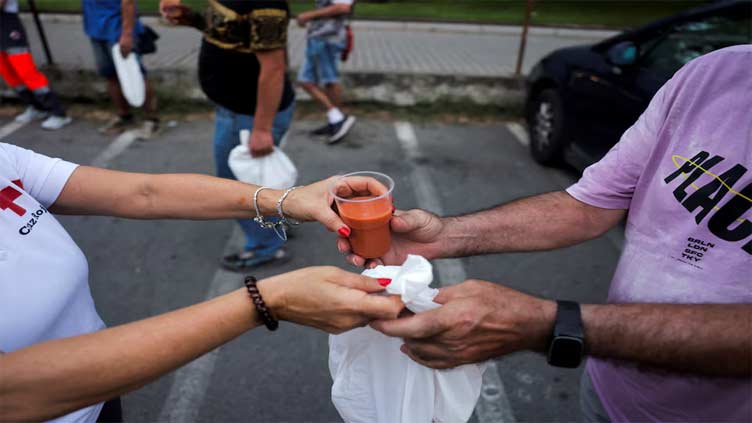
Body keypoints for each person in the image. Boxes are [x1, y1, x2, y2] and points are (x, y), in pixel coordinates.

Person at [338, 46, 751, 422]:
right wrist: (443, 236)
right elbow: (588, 205)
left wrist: (549, 325)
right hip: (611, 392)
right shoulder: (713, 75)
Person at [0, 142, 403, 422]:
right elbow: (11, 391)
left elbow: (145, 193)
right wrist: (266, 300)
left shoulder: (5, 158)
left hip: (99, 400)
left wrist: (285, 199)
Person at [160, 0, 301, 271]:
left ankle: (266, 246)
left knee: (238, 185)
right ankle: (277, 224)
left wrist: (261, 128)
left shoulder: (266, 4)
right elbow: (231, 30)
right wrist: (193, 19)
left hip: (248, 115)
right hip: (238, 111)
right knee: (254, 180)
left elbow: (273, 68)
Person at [82, 0, 159, 138]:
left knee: (136, 75)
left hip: (118, 30)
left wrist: (127, 34)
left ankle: (151, 120)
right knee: (110, 75)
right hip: (96, 29)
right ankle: (124, 117)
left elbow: (128, 2)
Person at [0, 0, 71, 130]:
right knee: (8, 73)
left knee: (26, 71)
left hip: (9, 25)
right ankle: (37, 107)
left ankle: (58, 113)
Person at [296, 0, 356, 144]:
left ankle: (338, 119)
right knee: (306, 80)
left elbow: (343, 7)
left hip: (328, 39)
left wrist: (309, 15)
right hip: (320, 37)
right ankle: (336, 117)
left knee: (328, 80)